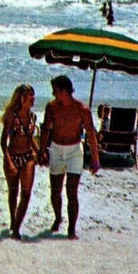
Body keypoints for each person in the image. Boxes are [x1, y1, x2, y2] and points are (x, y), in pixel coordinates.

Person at [38, 75, 100, 240]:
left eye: (56, 90)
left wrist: (95, 158)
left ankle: (71, 228)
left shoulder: (82, 109)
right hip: (57, 148)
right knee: (55, 191)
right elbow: (46, 129)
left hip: (74, 151)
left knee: (72, 192)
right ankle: (58, 217)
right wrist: (41, 150)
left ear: (65, 91)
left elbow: (91, 134)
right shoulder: (52, 107)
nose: (53, 93)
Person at [0, 84, 39, 240]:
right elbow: (3, 142)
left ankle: (16, 228)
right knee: (13, 191)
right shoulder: (11, 116)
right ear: (21, 98)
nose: (33, 98)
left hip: (28, 157)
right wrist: (9, 161)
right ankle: (12, 220)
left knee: (27, 192)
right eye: (30, 95)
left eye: (33, 95)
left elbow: (30, 139)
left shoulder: (33, 116)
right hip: (12, 156)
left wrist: (40, 152)